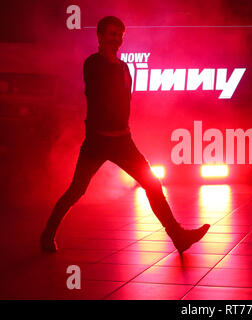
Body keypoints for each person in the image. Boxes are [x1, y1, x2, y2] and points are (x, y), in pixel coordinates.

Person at [40, 16, 209, 254]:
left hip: (122, 140)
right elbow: (98, 95)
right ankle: (47, 235)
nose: (116, 39)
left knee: (152, 183)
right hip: (98, 141)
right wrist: (110, 62)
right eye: (111, 34)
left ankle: (177, 236)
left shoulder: (124, 68)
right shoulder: (93, 64)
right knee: (76, 190)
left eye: (120, 35)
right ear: (99, 37)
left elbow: (123, 102)